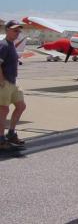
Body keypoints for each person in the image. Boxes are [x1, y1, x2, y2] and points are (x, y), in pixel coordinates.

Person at [0, 20, 27, 149]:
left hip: (13, 82)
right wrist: (1, 81)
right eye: (15, 30)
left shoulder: (11, 45)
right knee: (3, 110)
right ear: (7, 30)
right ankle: (0, 139)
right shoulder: (4, 45)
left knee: (21, 106)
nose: (17, 33)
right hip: (4, 83)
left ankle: (11, 134)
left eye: (19, 31)